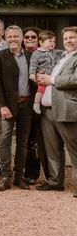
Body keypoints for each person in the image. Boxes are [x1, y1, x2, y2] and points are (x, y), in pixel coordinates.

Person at [0, 25, 34, 191]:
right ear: (5, 38)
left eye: (16, 36)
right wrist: (2, 105)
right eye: (10, 37)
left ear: (21, 38)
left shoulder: (30, 56)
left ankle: (19, 177)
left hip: (27, 105)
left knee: (23, 143)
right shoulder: (0, 56)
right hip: (7, 106)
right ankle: (6, 176)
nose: (13, 39)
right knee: (5, 140)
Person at [37, 26, 77, 196]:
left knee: (74, 148)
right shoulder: (61, 56)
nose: (68, 41)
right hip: (48, 110)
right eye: (66, 38)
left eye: (73, 37)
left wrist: (51, 79)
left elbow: (75, 79)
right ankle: (55, 181)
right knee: (52, 148)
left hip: (67, 109)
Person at [21, 26, 48, 185]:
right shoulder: (19, 56)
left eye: (33, 37)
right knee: (29, 140)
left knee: (44, 140)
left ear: (39, 39)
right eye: (27, 37)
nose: (30, 39)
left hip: (44, 103)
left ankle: (52, 175)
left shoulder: (46, 55)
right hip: (25, 105)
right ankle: (30, 173)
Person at [29, 30, 60, 115]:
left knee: (53, 90)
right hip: (42, 75)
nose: (52, 43)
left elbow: (58, 62)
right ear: (41, 43)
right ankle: (36, 103)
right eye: (50, 41)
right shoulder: (37, 53)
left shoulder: (54, 53)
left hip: (52, 76)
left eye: (54, 41)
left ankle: (54, 104)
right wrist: (32, 73)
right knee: (41, 90)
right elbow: (33, 64)